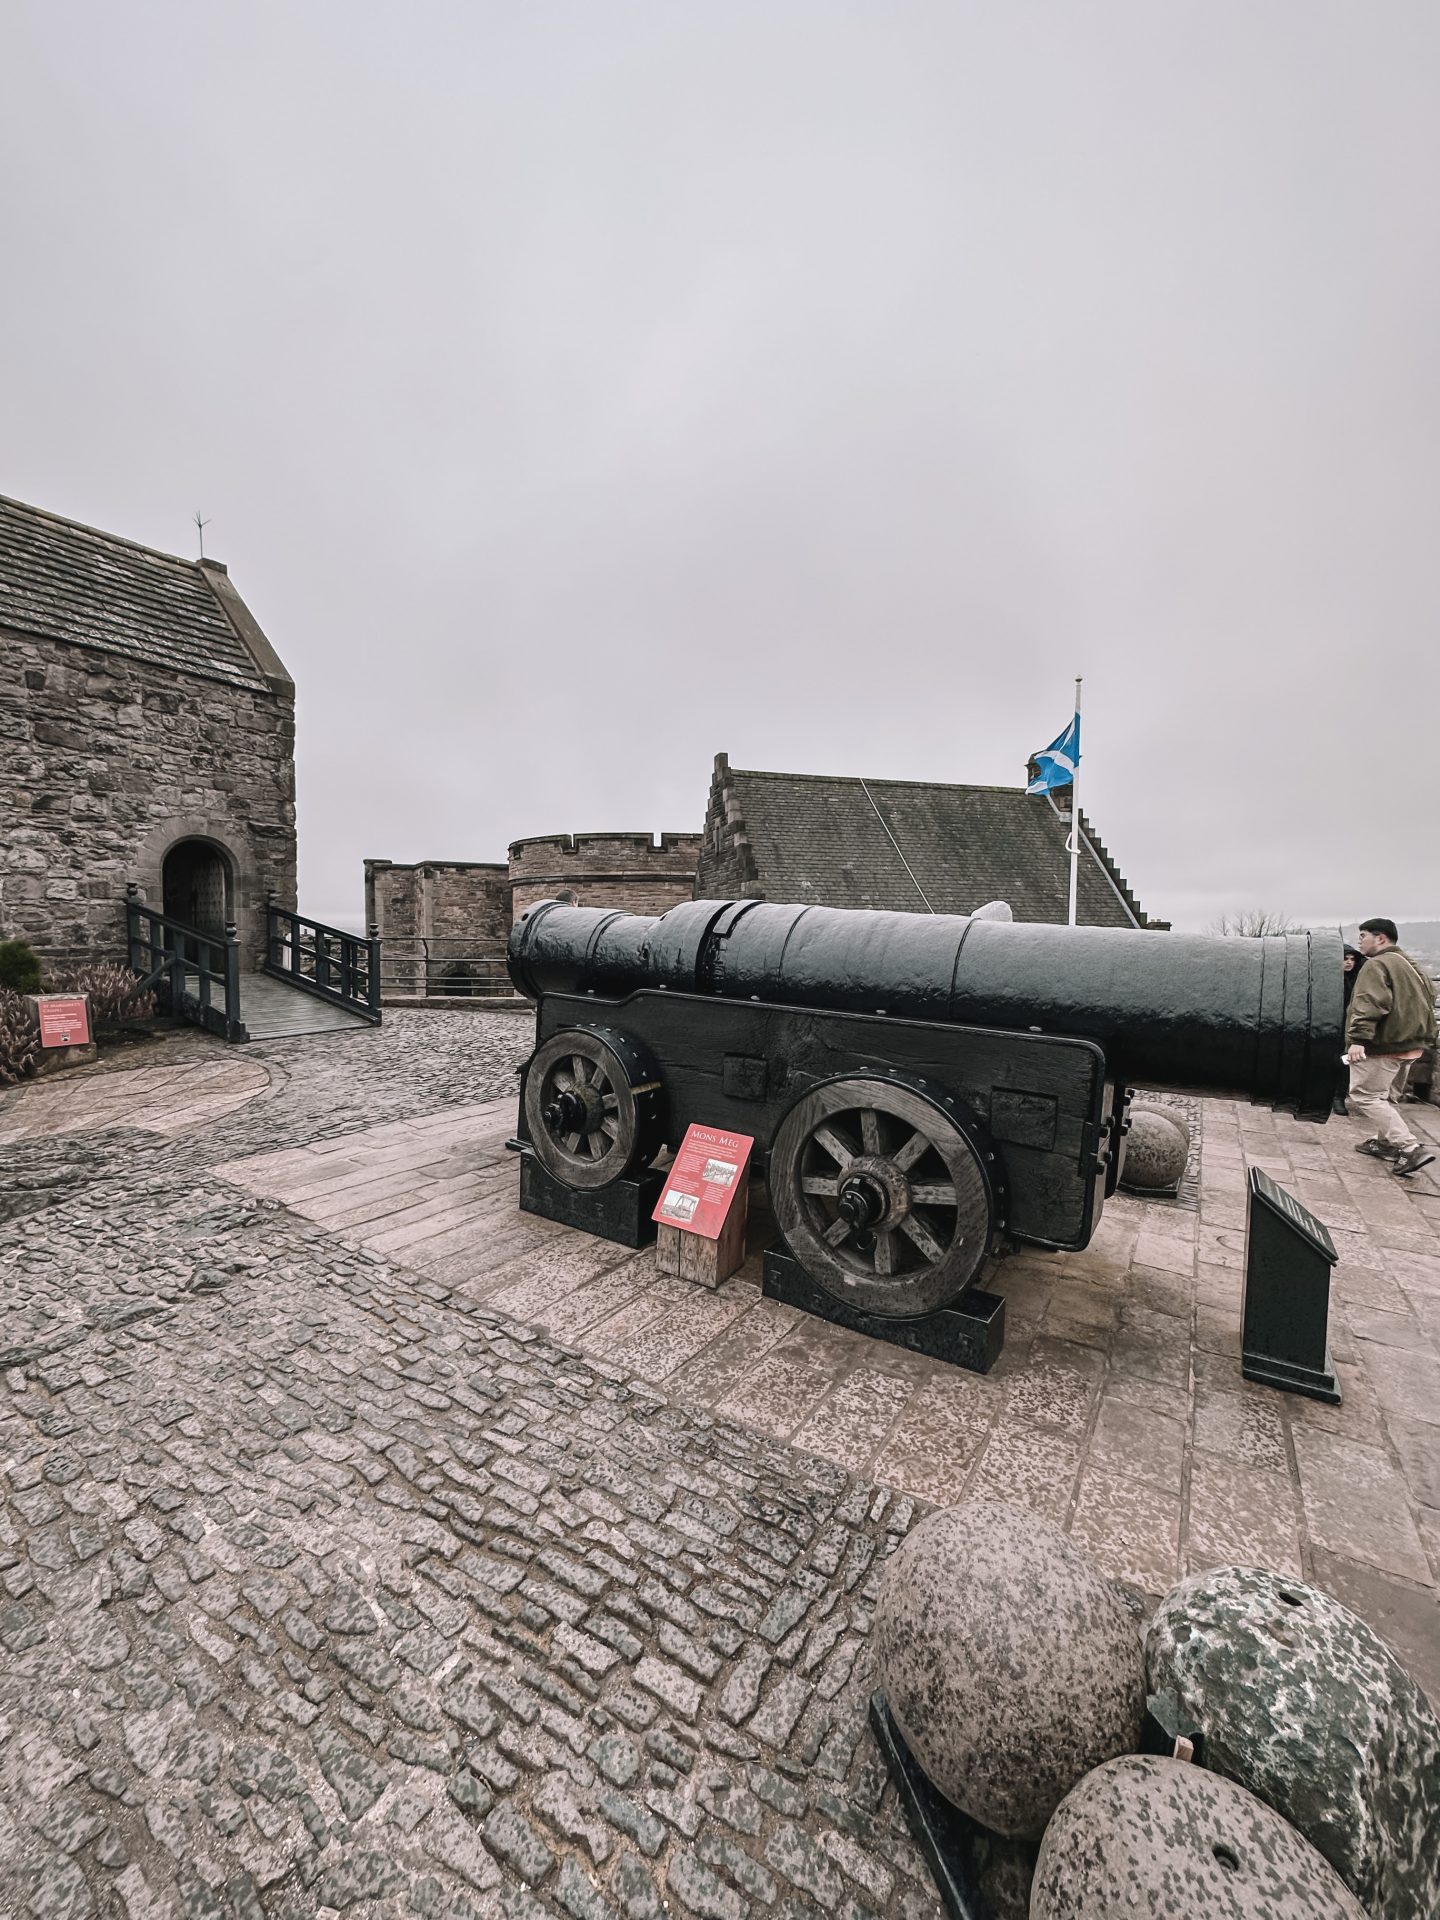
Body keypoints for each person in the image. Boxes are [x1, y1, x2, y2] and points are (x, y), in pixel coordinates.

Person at [1346, 918, 1438, 1177]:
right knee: (1385, 1097)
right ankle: (1384, 1143)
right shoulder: (1411, 963)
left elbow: (1369, 1003)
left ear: (1381, 939)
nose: (1359, 941)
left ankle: (1409, 1147)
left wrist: (1358, 1040)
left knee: (1365, 1095)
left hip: (1384, 1045)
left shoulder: (1377, 965)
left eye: (1363, 935)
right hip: (1411, 1046)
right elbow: (1429, 997)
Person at [1332, 943, 1364, 1115]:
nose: (1349, 962)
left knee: (1345, 1063)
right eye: (1345, 958)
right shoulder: (1331, 979)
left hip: (1348, 1028)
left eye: (1352, 959)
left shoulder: (1358, 980)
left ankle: (1339, 1097)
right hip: (1330, 1026)